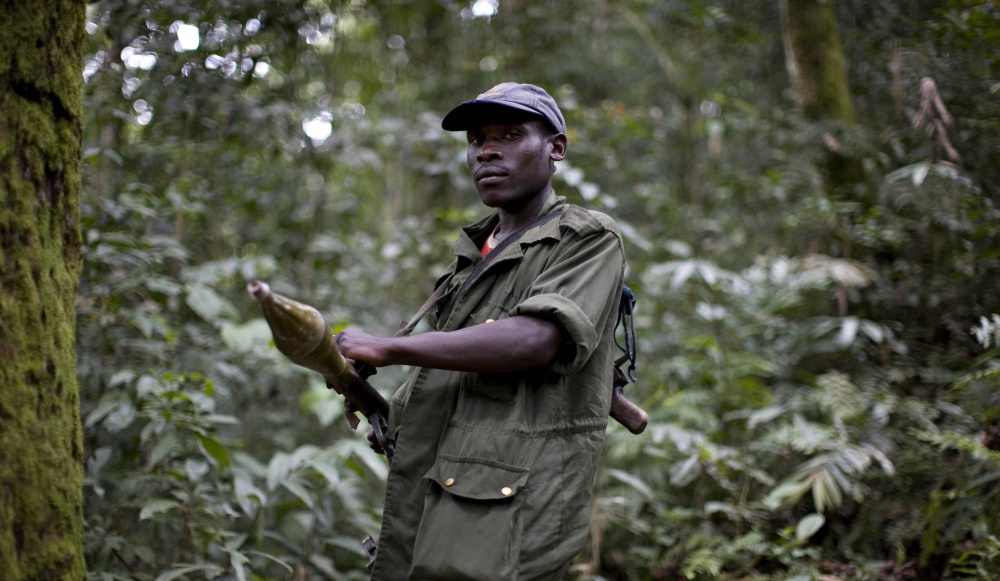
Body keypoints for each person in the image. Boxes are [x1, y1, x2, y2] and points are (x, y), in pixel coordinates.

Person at [336, 82, 626, 580]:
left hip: (507, 509)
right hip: (438, 487)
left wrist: (389, 347)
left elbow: (537, 338)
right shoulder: (473, 253)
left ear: (555, 147)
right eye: (476, 140)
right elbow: (457, 374)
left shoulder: (586, 237)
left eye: (510, 135)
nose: (487, 151)